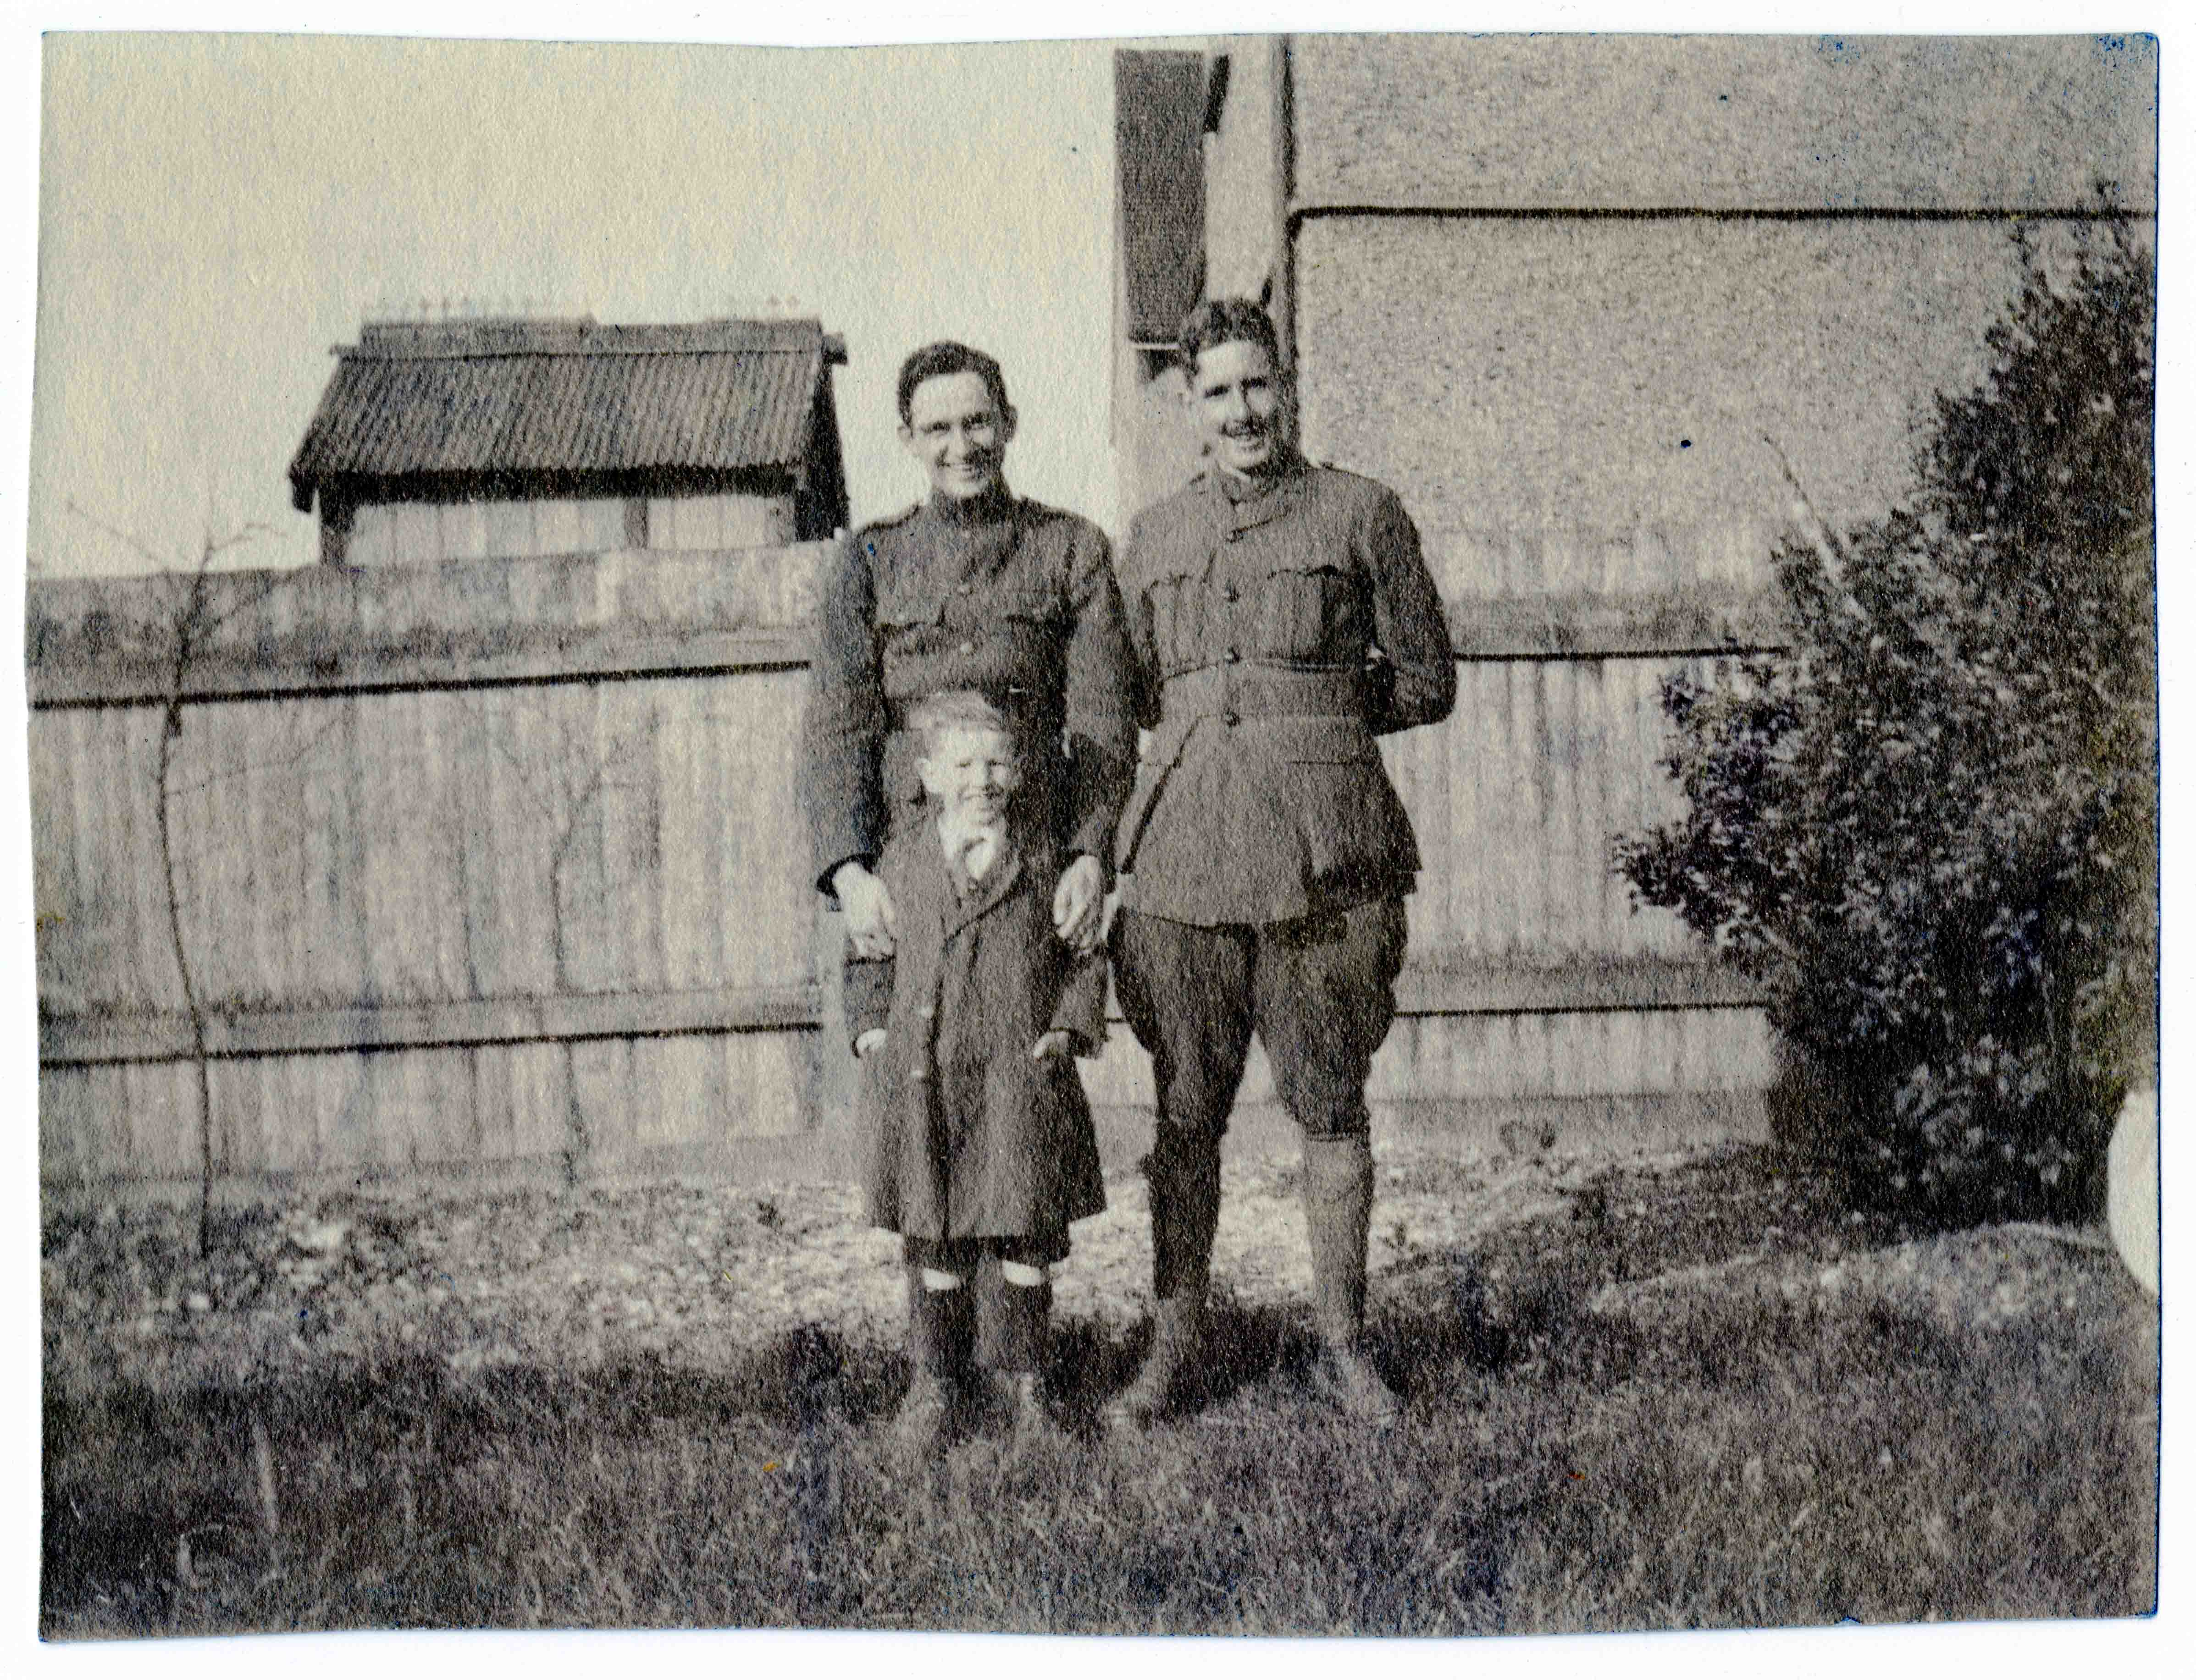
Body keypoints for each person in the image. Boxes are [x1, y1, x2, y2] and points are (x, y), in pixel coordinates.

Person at [1105, 298, 1458, 1428]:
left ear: (1287, 384)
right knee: (1185, 1113)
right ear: (1191, 405)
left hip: (1326, 864)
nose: (1242, 409)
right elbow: (1123, 704)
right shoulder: (1151, 538)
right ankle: (1170, 1350)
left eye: (1258, 385)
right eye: (1217, 391)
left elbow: (1426, 677)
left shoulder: (1362, 513)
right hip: (1182, 866)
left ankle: (1346, 1345)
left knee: (1331, 1103)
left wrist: (1316, 730)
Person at [802, 341, 1136, 970]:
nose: (961, 446)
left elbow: (1102, 724)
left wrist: (1090, 856)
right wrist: (850, 875)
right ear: (907, 438)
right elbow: (836, 731)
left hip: (1030, 861)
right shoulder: (869, 561)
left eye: (977, 422)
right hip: (903, 867)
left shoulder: (1068, 550)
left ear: (1008, 422)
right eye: (937, 429)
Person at [843, 691, 1109, 1453]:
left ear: (1022, 773)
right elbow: (865, 956)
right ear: (927, 775)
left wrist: (1068, 1026)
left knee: (1024, 1234)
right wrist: (871, 1034)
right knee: (936, 1240)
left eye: (996, 762)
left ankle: (1026, 1389)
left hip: (1016, 1082)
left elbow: (1083, 957)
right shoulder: (898, 862)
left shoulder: (1047, 861)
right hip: (926, 1085)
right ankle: (937, 1384)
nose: (980, 779)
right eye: (961, 763)